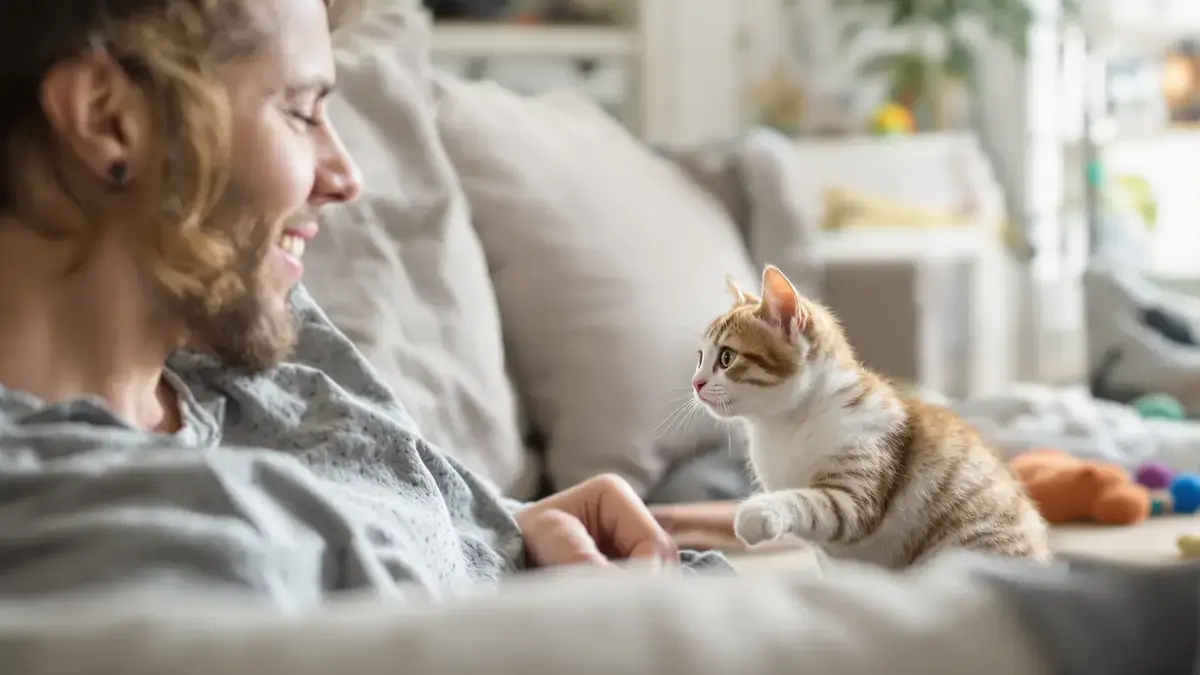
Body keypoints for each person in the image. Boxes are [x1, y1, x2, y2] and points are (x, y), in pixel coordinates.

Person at [0, 1, 1194, 674]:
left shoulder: (262, 346)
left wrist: (500, 532)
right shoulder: (90, 523)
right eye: (302, 109)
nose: (346, 173)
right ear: (107, 118)